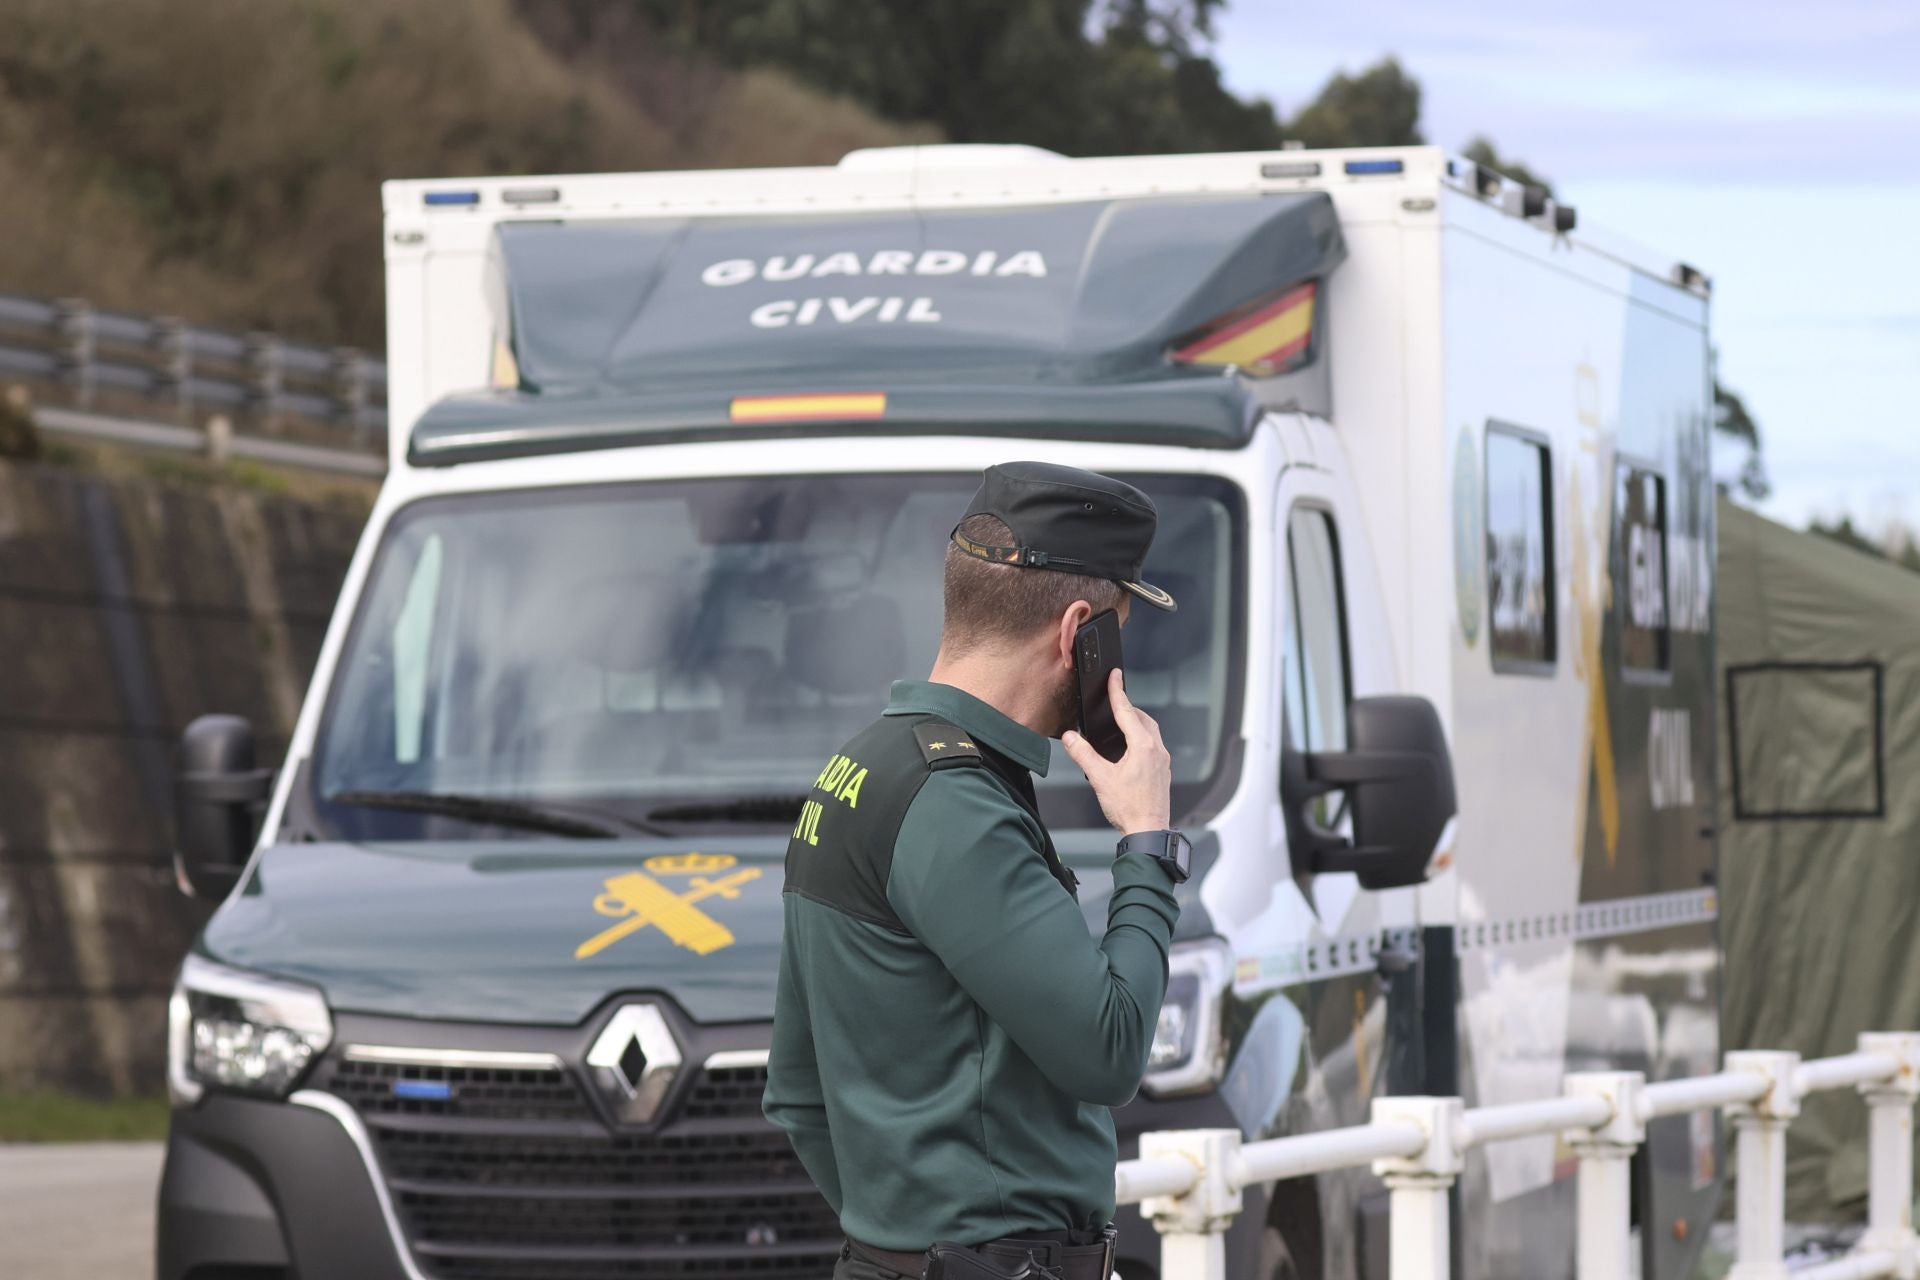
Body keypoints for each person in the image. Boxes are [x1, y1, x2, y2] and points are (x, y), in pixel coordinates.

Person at [765, 461, 1193, 1280]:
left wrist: (901, 1236)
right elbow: (1108, 1051)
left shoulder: (856, 770)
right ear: (1078, 633)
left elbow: (797, 1092)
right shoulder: (957, 805)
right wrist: (1148, 841)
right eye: (1120, 632)